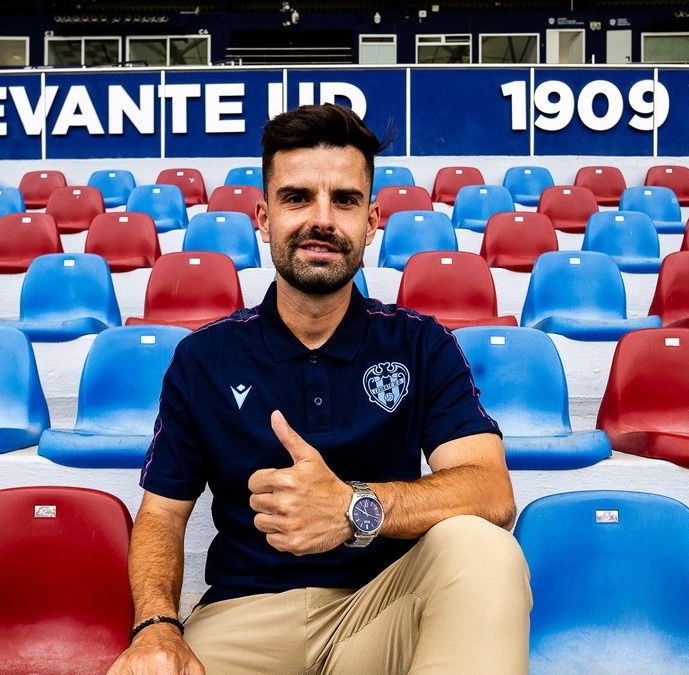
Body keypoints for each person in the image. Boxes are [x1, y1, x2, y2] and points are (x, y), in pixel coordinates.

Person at [107, 103, 530, 675]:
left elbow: (491, 493)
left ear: (372, 222)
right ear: (263, 218)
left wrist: (353, 508)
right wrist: (156, 626)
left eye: (346, 200)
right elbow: (162, 515)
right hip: (242, 618)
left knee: (486, 550)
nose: (322, 220)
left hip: (380, 612)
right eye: (298, 198)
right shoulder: (203, 358)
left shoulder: (421, 344)